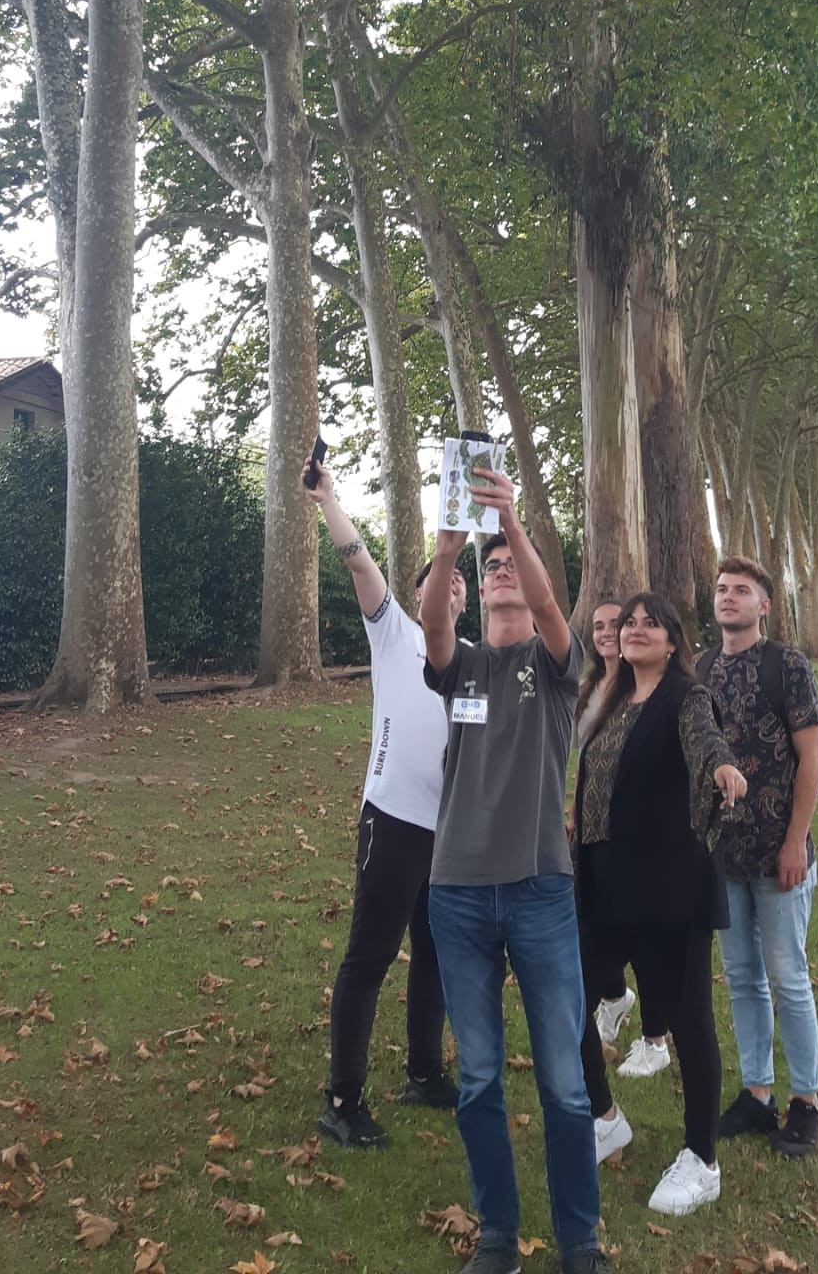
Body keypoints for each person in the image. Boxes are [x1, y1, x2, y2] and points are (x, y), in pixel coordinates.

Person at [421, 469, 608, 1274]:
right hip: (456, 893)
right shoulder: (459, 667)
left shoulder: (556, 665)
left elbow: (554, 608)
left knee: (566, 1085)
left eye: (507, 566)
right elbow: (431, 622)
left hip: (540, 891)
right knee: (480, 1080)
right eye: (488, 567)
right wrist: (446, 551)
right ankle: (497, 1238)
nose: (497, 570)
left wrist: (510, 521)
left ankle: (579, 1244)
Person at [305, 452, 467, 1149]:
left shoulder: (475, 662)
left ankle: (425, 1073)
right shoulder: (395, 630)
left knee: (434, 954)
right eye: (441, 578)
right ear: (420, 593)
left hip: (450, 834)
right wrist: (328, 500)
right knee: (370, 959)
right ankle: (342, 1099)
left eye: (461, 582)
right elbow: (359, 561)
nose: (453, 586)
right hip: (393, 822)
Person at [573, 594, 747, 1217]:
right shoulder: (612, 702)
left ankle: (702, 1159)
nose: (636, 630)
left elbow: (706, 743)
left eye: (651, 623)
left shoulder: (685, 698)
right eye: (629, 623)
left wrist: (723, 768)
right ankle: (602, 1117)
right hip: (604, 884)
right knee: (568, 998)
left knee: (691, 1021)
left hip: (669, 886)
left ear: (674, 642)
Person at [699, 555, 818, 1161]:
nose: (728, 598)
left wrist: (796, 841)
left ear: (764, 605)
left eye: (741, 591)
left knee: (788, 978)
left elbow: (812, 760)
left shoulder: (788, 667)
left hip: (781, 856)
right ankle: (756, 1092)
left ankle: (805, 1102)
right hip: (724, 859)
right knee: (743, 979)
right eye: (722, 590)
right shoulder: (700, 669)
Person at [574, 599, 670, 1080]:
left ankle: (655, 1037)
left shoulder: (646, 690)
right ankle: (614, 999)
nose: (609, 632)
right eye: (600, 626)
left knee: (646, 940)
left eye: (619, 624)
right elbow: (585, 763)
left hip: (640, 842)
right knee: (593, 928)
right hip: (591, 833)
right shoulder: (591, 688)